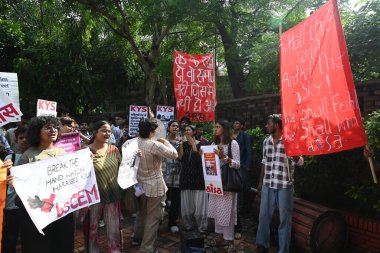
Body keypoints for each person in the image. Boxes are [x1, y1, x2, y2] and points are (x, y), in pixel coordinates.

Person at [14, 116, 74, 253]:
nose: (53, 130)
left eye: (55, 127)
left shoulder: (64, 153)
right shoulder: (28, 156)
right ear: (37, 132)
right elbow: (24, 191)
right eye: (47, 127)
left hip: (60, 212)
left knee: (61, 244)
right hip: (37, 216)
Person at [255, 114, 304, 253]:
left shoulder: (291, 140)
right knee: (263, 216)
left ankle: (283, 250)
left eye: (268, 123)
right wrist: (260, 182)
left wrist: (293, 152)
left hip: (284, 186)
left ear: (276, 125)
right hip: (268, 184)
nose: (266, 126)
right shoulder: (266, 141)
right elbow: (264, 162)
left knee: (285, 220)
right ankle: (262, 245)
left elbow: (300, 162)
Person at [133, 118, 178, 253]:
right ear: (153, 132)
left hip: (139, 185)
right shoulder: (153, 145)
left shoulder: (132, 143)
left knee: (141, 213)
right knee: (153, 219)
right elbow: (174, 154)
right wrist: (165, 142)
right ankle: (146, 248)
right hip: (155, 186)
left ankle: (137, 237)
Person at [85, 120, 122, 253]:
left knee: (114, 228)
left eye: (109, 131)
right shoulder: (86, 152)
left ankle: (115, 250)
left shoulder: (114, 149)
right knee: (92, 228)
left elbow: (123, 169)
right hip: (93, 198)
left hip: (113, 195)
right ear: (95, 132)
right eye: (104, 130)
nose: (107, 133)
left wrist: (136, 157)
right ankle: (93, 250)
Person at [208, 120, 240, 252]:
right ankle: (221, 236)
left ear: (225, 129)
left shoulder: (233, 143)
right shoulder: (213, 144)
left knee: (228, 211)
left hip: (227, 183)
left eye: (218, 127)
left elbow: (237, 164)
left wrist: (224, 157)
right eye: (215, 127)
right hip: (215, 181)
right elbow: (208, 161)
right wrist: (202, 155)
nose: (215, 129)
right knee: (217, 210)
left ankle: (230, 240)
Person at [2, 126, 29, 253]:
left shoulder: (37, 156)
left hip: (29, 206)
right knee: (10, 236)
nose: (24, 140)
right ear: (16, 140)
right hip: (12, 205)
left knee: (27, 236)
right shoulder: (10, 158)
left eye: (27, 137)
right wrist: (6, 170)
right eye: (21, 138)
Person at [179, 125, 208, 233]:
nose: (186, 131)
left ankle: (202, 226)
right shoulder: (183, 144)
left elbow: (199, 160)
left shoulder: (202, 143)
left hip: (198, 177)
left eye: (188, 130)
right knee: (187, 203)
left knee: (199, 203)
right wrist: (181, 145)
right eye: (185, 130)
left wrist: (193, 145)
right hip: (186, 176)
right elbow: (180, 158)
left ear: (194, 132)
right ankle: (188, 225)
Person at [232, 117, 253, 240]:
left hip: (242, 165)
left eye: (237, 123)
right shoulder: (232, 135)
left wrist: (248, 165)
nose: (235, 124)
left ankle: (240, 209)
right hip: (233, 166)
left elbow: (248, 150)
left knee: (240, 188)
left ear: (242, 125)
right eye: (234, 122)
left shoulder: (244, 136)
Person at [162, 120, 182, 233]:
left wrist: (183, 144)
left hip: (177, 176)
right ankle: (158, 221)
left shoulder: (180, 141)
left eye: (177, 126)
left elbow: (181, 157)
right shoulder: (162, 140)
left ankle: (172, 223)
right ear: (168, 128)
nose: (175, 128)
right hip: (164, 175)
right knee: (162, 200)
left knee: (175, 201)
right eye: (173, 126)